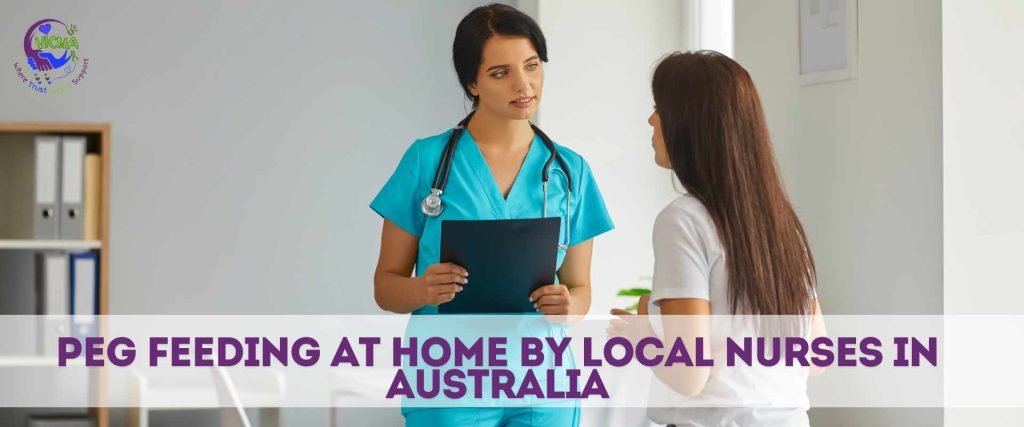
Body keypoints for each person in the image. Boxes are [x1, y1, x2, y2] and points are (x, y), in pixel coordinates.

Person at [370, 4, 614, 426]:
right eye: (501, 73)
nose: (524, 84)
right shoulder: (426, 161)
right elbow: (385, 287)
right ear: (473, 82)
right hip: (449, 381)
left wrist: (569, 306)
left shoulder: (570, 171)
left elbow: (580, 288)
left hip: (543, 382)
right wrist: (424, 289)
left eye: (532, 66)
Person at [611, 51, 826, 426]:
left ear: (690, 125)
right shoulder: (781, 222)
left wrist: (642, 334)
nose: (651, 120)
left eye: (659, 108)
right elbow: (816, 356)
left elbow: (688, 374)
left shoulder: (683, 220)